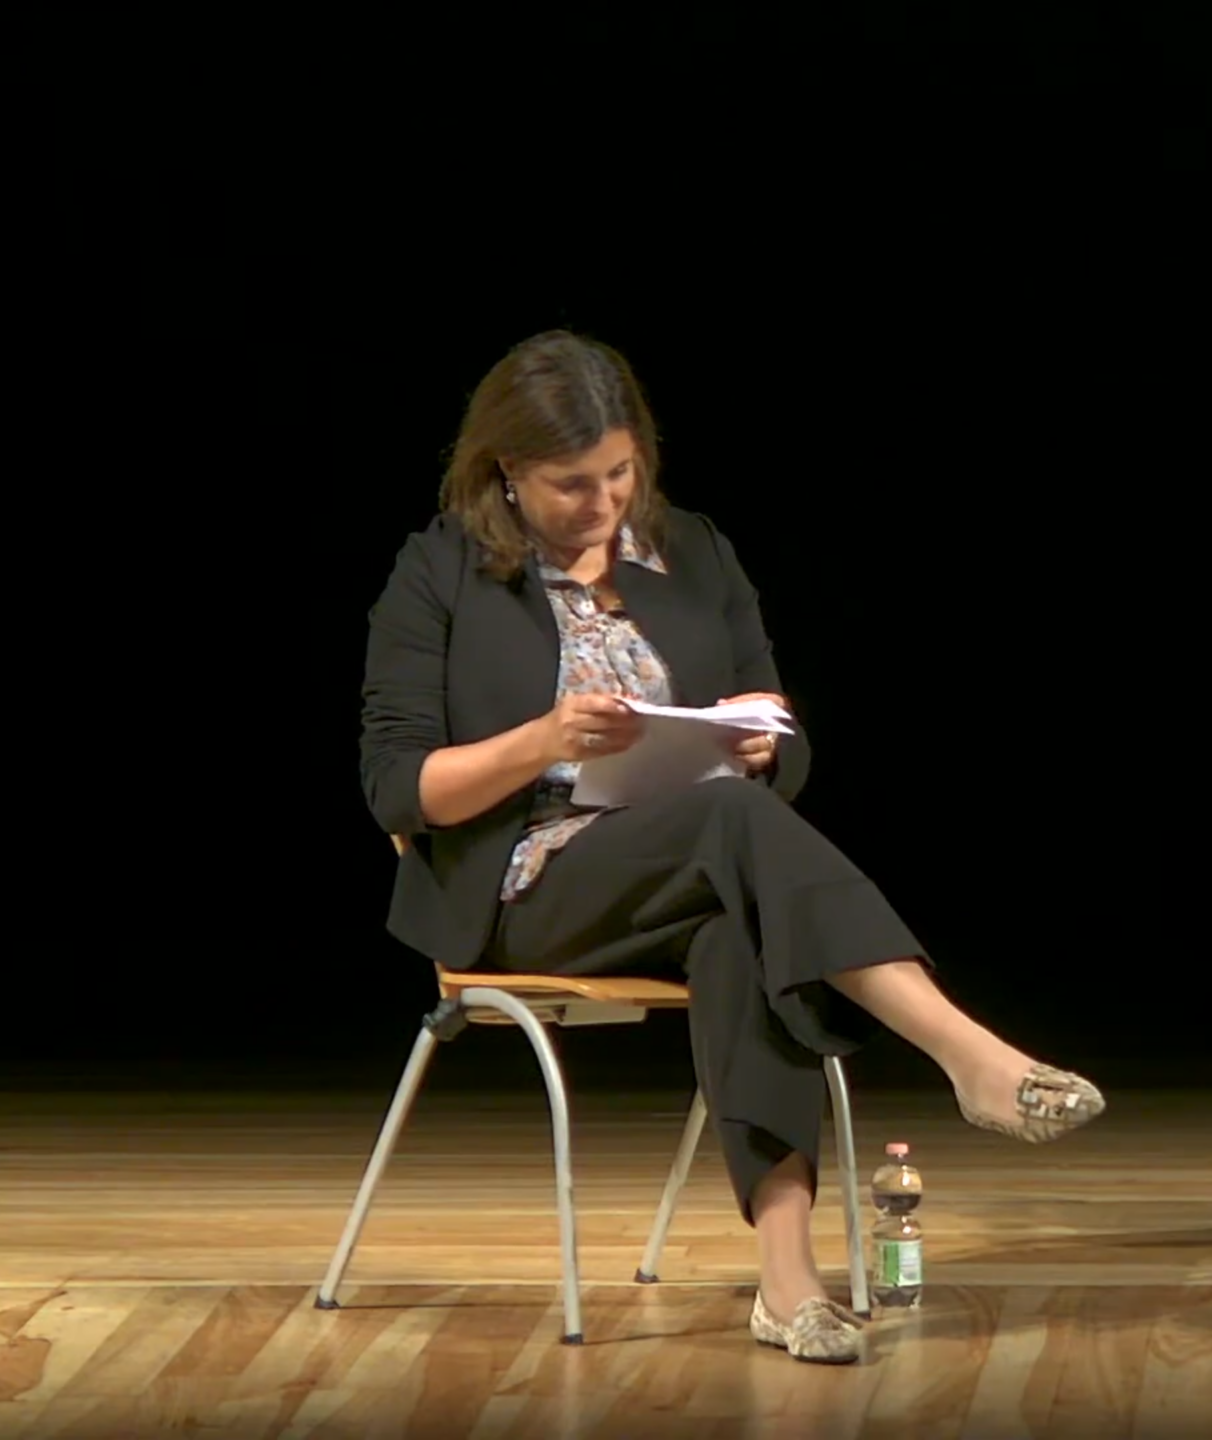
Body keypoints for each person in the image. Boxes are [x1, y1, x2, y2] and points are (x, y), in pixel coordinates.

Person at [357, 331, 1105, 1366]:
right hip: (527, 888)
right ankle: (966, 1055)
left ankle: (788, 1286)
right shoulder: (439, 569)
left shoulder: (692, 551)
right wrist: (545, 741)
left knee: (742, 928)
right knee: (734, 831)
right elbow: (399, 788)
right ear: (507, 471)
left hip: (702, 866)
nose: (604, 503)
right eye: (574, 484)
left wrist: (761, 743)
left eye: (621, 473)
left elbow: (775, 724)